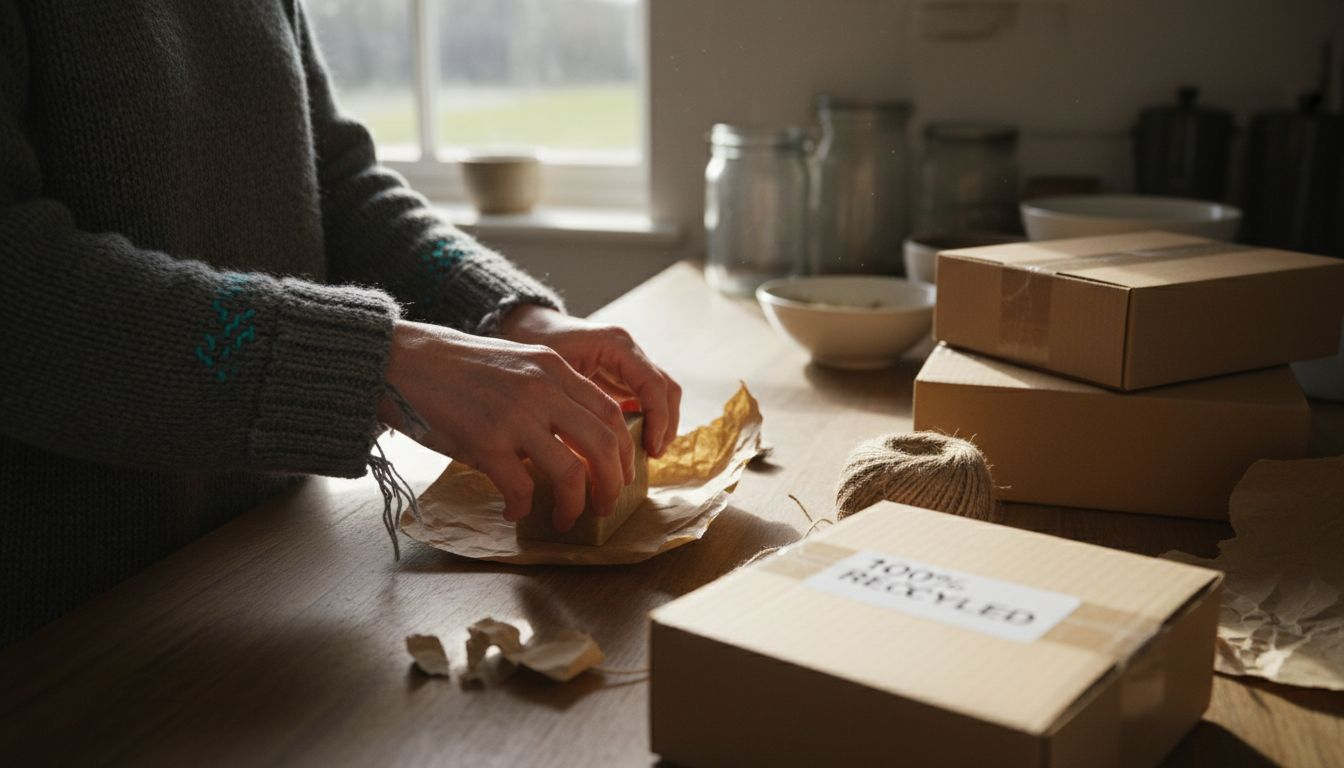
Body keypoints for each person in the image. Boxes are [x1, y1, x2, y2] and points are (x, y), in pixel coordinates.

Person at [0, 1, 680, 647]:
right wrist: (379, 358)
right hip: (63, 633)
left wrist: (511, 316)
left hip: (274, 571)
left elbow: (336, 178)